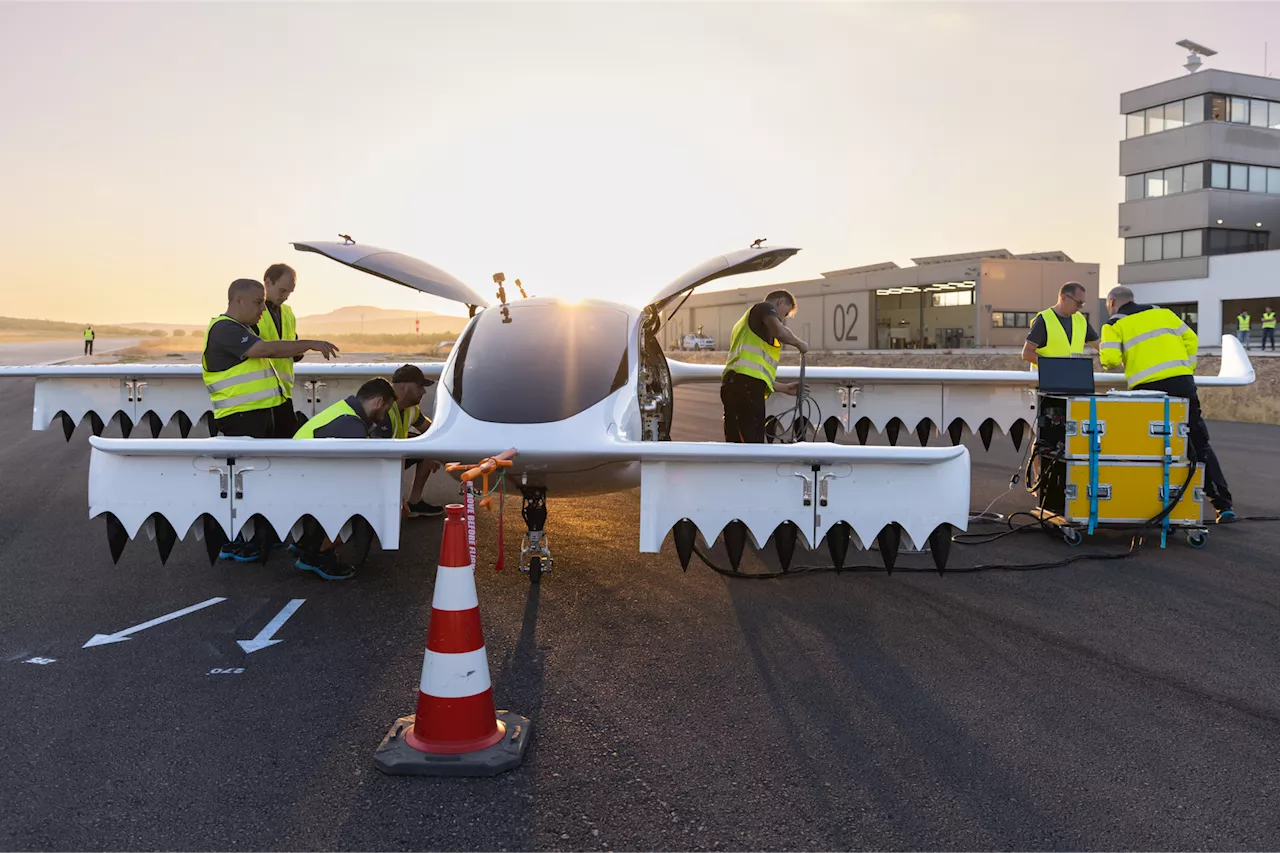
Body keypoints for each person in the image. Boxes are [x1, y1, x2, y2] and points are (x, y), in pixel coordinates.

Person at [204, 278, 341, 561]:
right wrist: (311, 343)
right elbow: (266, 350)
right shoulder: (224, 328)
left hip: (261, 415)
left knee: (265, 480)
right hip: (240, 419)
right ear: (237, 300)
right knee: (250, 484)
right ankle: (245, 541)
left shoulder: (244, 329)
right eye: (257, 303)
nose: (262, 311)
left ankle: (264, 538)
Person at [1100, 286, 1236, 524]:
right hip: (1182, 383)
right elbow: (1191, 338)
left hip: (1147, 390)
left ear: (1112, 302)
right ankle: (1223, 507)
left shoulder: (1113, 324)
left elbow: (1109, 360)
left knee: (1148, 447)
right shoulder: (1164, 313)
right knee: (1197, 441)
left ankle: (1151, 507)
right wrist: (1187, 367)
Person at [292, 377, 397, 579]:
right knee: (371, 502)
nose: (384, 416)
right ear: (377, 402)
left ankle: (308, 544)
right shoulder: (351, 424)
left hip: (302, 477)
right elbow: (360, 473)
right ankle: (316, 554)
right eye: (386, 408)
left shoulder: (345, 411)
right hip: (305, 482)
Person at [720, 289, 808, 443]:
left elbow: (752, 371)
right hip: (745, 389)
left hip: (737, 386)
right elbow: (779, 331)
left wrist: (783, 388)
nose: (782, 319)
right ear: (780, 302)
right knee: (751, 443)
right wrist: (799, 343)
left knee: (737, 443)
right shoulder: (765, 307)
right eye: (784, 314)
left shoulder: (748, 326)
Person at [369, 364, 443, 518]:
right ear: (405, 386)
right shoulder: (384, 411)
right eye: (420, 386)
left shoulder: (411, 408)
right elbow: (379, 463)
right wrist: (398, 499)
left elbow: (431, 431)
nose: (423, 391)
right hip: (372, 466)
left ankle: (415, 503)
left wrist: (436, 450)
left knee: (427, 446)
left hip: (394, 455)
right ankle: (387, 506)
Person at [257, 263, 306, 437]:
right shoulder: (251, 311)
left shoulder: (287, 313)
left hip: (283, 394)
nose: (285, 297)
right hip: (258, 397)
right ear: (268, 282)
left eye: (289, 293)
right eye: (282, 290)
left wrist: (298, 351)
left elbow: (292, 345)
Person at [1021, 281, 1099, 367]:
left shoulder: (1081, 320)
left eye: (1082, 304)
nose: (1080, 307)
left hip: (1071, 377)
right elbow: (1027, 353)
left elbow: (1099, 345)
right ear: (1063, 297)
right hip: (1047, 378)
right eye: (1078, 303)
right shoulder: (1044, 319)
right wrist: (1053, 367)